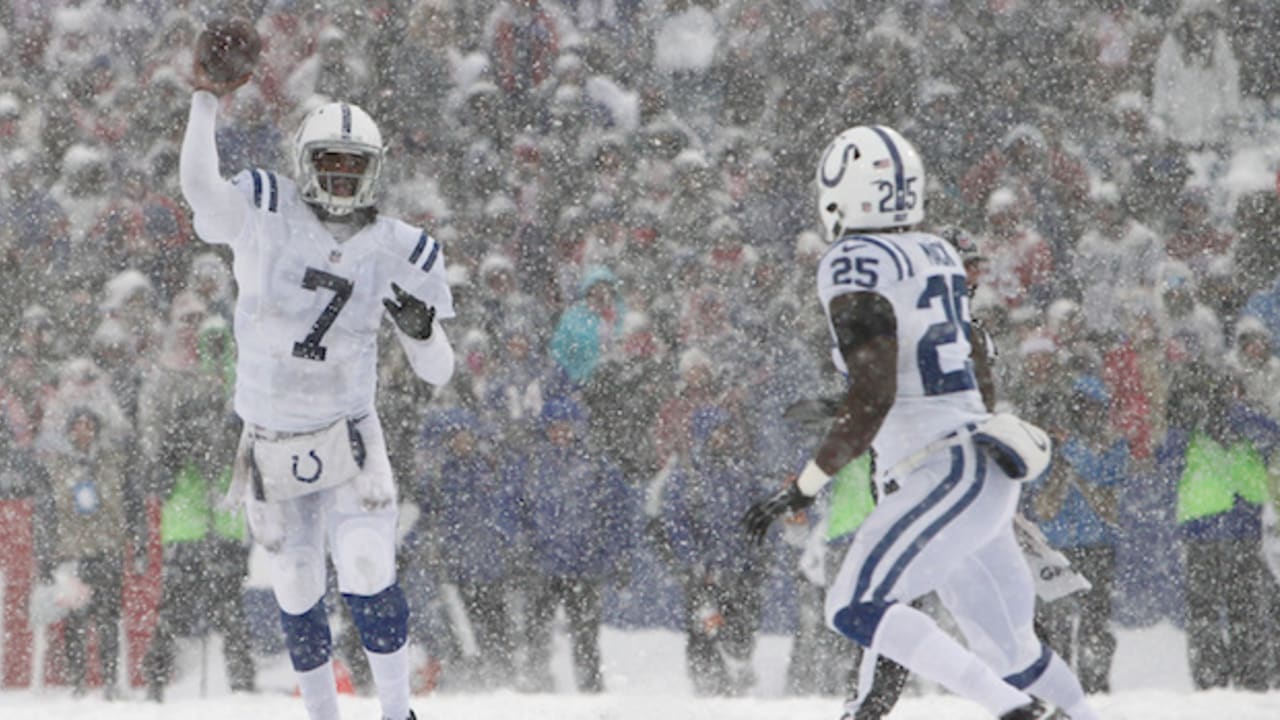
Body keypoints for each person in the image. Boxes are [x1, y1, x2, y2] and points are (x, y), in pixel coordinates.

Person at [743, 126, 1099, 720]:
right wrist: (855, 404)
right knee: (1013, 649)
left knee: (854, 606)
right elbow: (954, 371)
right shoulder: (937, 252)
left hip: (939, 468)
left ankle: (1021, 713)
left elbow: (877, 391)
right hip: (981, 462)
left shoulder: (853, 260)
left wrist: (802, 486)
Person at [179, 40, 455, 720]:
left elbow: (439, 371)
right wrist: (205, 101)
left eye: (351, 164)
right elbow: (201, 193)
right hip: (268, 435)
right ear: (302, 162)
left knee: (365, 566)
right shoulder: (264, 209)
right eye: (327, 162)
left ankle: (398, 712)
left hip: (348, 433)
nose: (338, 176)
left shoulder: (398, 247)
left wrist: (422, 331)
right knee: (297, 581)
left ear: (375, 170)